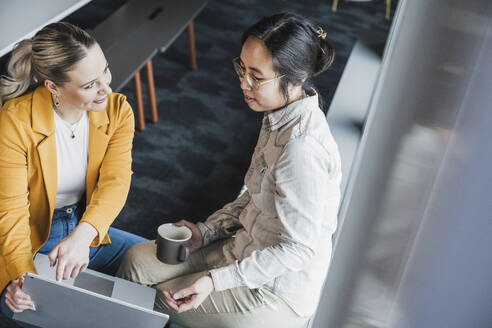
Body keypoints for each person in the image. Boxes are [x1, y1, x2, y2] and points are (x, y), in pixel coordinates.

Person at [117, 13, 341, 328]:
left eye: (256, 77)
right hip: (243, 246)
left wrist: (214, 280)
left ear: (295, 79)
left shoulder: (302, 149)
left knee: (153, 297)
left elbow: (298, 250)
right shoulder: (278, 113)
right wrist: (205, 232)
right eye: (242, 68)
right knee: (136, 263)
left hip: (273, 289)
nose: (243, 83)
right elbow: (255, 195)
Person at [0, 22, 146, 322]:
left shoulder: (118, 110)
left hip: (83, 226)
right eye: (89, 84)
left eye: (104, 70)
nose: (106, 88)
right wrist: (22, 276)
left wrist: (83, 236)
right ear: (52, 86)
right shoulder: (14, 122)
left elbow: (115, 183)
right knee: (28, 306)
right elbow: (10, 212)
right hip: (26, 236)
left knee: (151, 267)